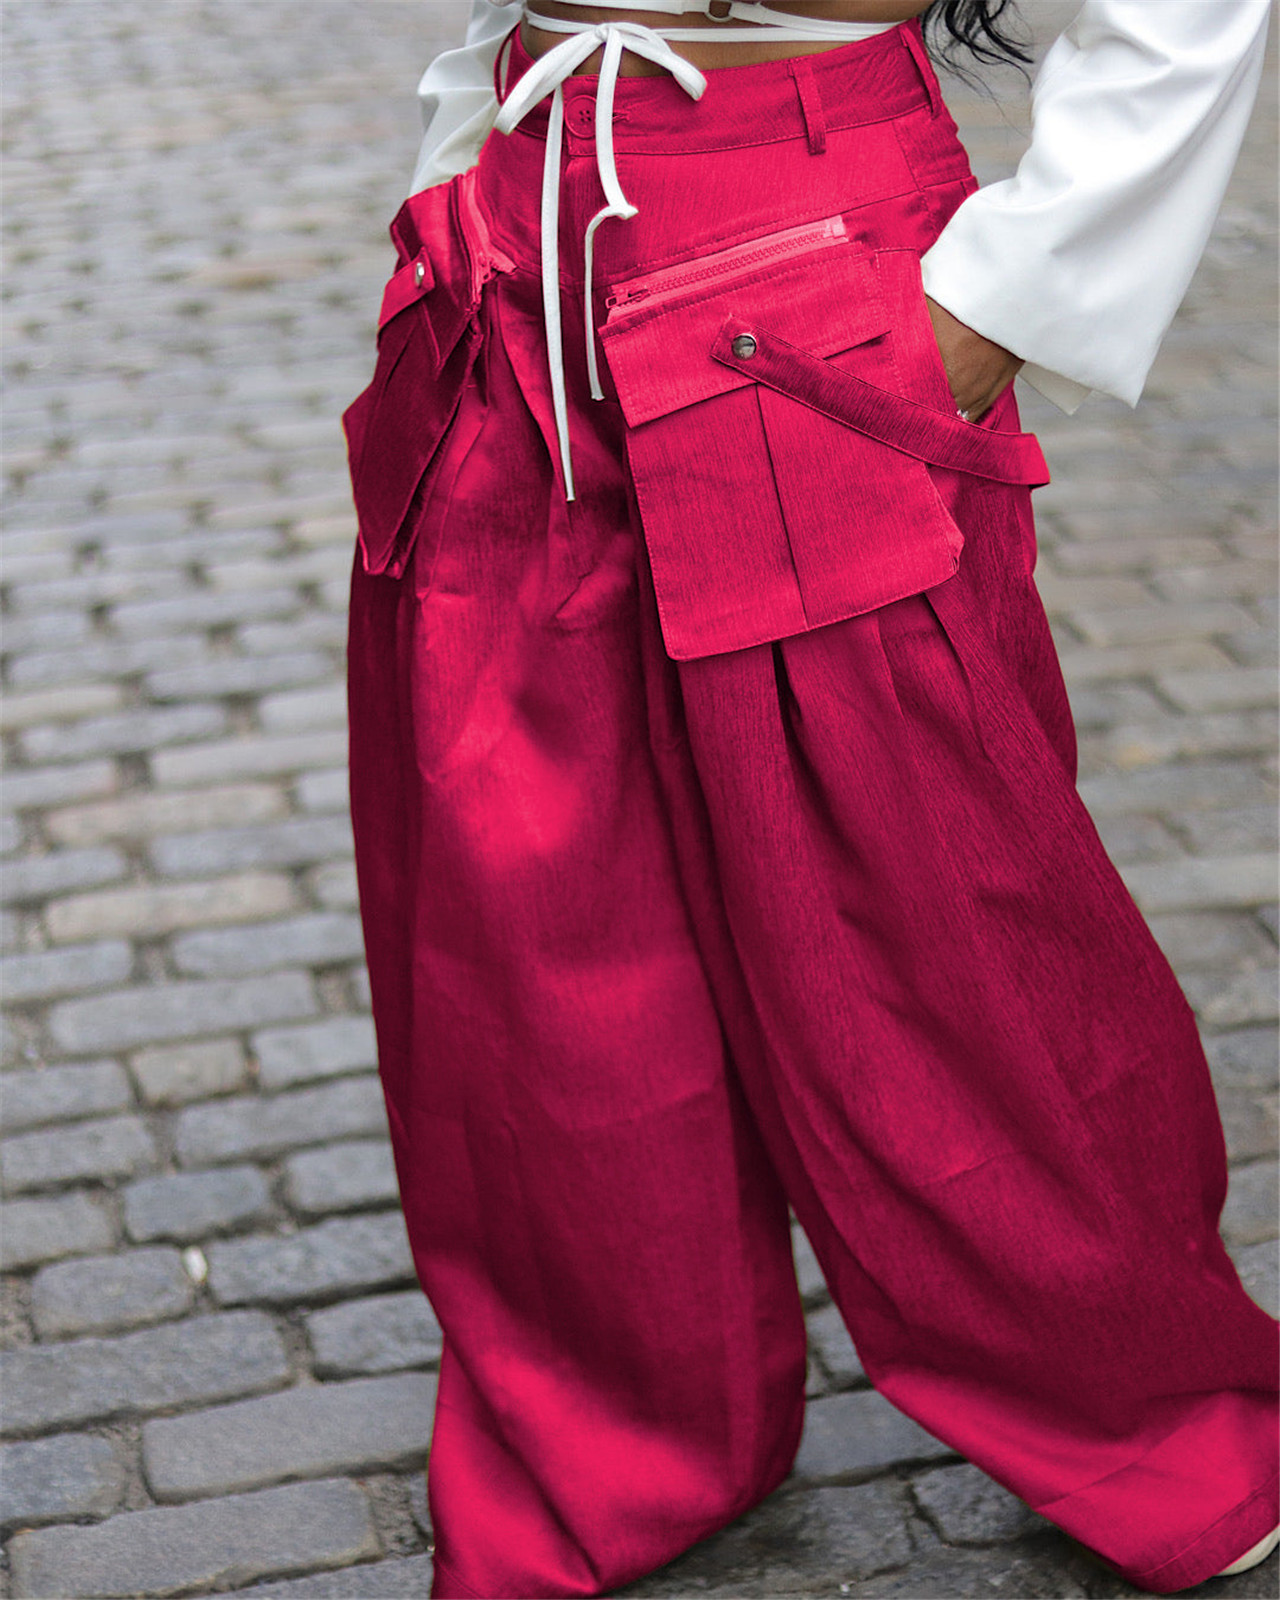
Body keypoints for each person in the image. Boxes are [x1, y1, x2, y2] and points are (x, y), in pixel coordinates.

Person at [341, 0, 1279, 1594]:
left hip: (807, 238)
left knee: (932, 920)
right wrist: (465, 146)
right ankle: (609, 1440)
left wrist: (1003, 299)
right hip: (515, 234)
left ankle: (1151, 1415)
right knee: (527, 926)